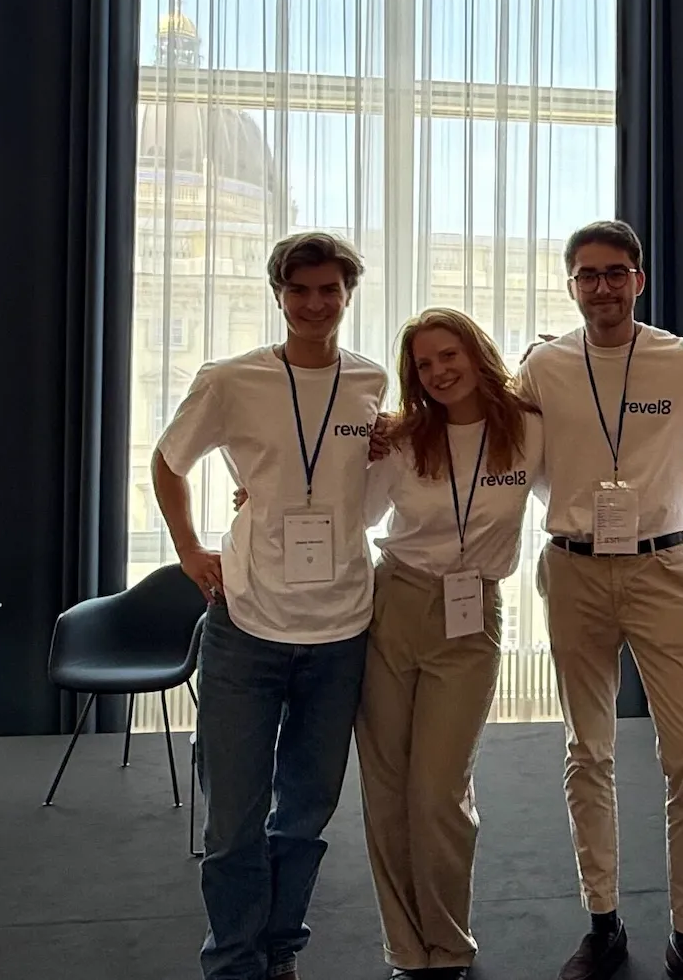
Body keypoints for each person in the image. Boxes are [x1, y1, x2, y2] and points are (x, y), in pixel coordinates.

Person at [152, 231, 387, 980]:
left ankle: (280, 947)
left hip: (343, 626)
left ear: (349, 295)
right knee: (232, 819)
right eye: (300, 291)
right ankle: (232, 962)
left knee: (307, 812)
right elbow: (168, 460)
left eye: (329, 291)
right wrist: (191, 550)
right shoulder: (232, 379)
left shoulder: (372, 381)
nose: (315, 304)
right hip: (246, 622)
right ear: (278, 295)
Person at [516, 220, 683, 980]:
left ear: (639, 280)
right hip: (574, 570)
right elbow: (476, 434)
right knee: (588, 750)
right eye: (588, 275)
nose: (603, 287)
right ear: (571, 283)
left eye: (617, 273)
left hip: (660, 569)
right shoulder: (544, 367)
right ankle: (603, 921)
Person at [357, 306, 544, 979]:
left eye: (449, 355)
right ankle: (407, 949)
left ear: (476, 352)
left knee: (438, 789)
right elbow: (354, 513)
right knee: (386, 786)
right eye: (424, 364)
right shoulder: (404, 440)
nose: (438, 371)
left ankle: (449, 942)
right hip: (393, 607)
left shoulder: (528, 430)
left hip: (471, 619)